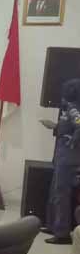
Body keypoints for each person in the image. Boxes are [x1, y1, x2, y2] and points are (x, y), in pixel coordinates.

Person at [45, 79, 80, 244]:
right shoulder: (69, 108)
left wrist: (73, 142)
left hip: (68, 158)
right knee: (55, 192)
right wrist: (55, 126)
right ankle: (53, 225)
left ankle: (62, 233)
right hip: (62, 156)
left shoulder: (74, 109)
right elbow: (68, 127)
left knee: (61, 194)